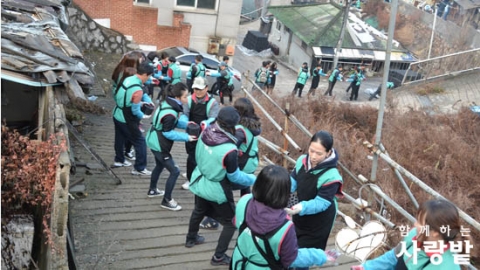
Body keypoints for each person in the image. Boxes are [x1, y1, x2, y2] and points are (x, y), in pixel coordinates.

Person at [185, 106, 256, 266]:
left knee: (198, 210)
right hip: (216, 188)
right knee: (231, 222)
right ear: (233, 126)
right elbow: (234, 176)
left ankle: (191, 238)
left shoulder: (205, 131)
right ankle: (218, 256)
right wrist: (252, 179)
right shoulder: (229, 150)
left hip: (200, 179)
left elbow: (197, 154)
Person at [231, 165, 331, 269]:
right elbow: (291, 259)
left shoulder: (244, 200)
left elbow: (236, 222)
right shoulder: (285, 227)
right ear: (285, 192)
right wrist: (319, 255)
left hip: (239, 262)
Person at [351, 199, 471, 270]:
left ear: (435, 232)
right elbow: (393, 256)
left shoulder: (445, 266)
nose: (415, 224)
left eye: (419, 222)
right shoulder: (414, 236)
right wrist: (366, 267)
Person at [286, 131, 343, 254]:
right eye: (311, 151)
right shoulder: (302, 161)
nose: (313, 156)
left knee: (305, 255)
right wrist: (280, 191)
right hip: (300, 214)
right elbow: (293, 181)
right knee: (292, 248)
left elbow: (321, 203)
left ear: (328, 153)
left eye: (319, 153)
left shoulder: (332, 176)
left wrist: (301, 207)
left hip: (319, 221)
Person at [145, 82, 197, 210]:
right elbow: (167, 132)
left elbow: (170, 122)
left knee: (159, 165)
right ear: (178, 98)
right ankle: (166, 200)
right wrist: (187, 137)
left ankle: (152, 190)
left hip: (152, 138)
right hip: (159, 144)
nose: (187, 99)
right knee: (175, 171)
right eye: (185, 97)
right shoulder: (171, 113)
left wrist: (185, 124)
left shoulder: (167, 104)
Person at [112, 62, 155, 176]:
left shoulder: (128, 79)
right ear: (145, 74)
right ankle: (139, 167)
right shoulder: (137, 89)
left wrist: (146, 100)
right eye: (149, 76)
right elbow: (135, 111)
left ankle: (119, 160)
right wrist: (144, 116)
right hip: (127, 119)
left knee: (119, 138)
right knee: (140, 141)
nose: (149, 79)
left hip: (117, 113)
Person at [182, 76, 220, 190]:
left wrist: (207, 122)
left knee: (198, 157)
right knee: (191, 155)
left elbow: (213, 117)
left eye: (200, 89)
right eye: (195, 89)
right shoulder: (188, 100)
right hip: (191, 131)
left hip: (205, 134)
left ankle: (192, 177)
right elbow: (184, 113)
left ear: (207, 88)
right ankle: (190, 175)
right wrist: (185, 121)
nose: (197, 91)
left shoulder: (213, 102)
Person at [111, 53, 144, 165]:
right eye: (138, 62)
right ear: (132, 63)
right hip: (124, 111)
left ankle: (120, 158)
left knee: (119, 136)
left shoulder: (121, 70)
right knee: (136, 138)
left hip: (119, 109)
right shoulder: (126, 74)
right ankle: (137, 165)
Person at [233, 97, 261, 196]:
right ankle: (245, 208)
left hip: (243, 164)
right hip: (252, 162)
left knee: (225, 184)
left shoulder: (240, 129)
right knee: (246, 187)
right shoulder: (254, 125)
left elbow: (231, 148)